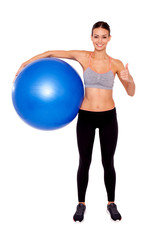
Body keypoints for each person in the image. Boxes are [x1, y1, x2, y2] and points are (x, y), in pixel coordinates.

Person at [14, 21, 135, 222]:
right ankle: (81, 204)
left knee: (108, 162)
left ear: (109, 39)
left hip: (108, 117)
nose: (99, 40)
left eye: (104, 36)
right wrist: (26, 63)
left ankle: (111, 204)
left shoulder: (117, 64)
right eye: (96, 36)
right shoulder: (82, 56)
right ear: (91, 37)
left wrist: (129, 79)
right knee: (84, 162)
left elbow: (131, 93)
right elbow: (52, 53)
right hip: (86, 116)